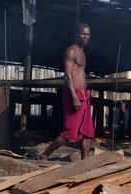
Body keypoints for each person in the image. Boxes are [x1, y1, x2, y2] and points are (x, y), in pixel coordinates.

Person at [38, 23, 94, 160]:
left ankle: (85, 162)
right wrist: (74, 96)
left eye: (88, 34)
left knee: (87, 132)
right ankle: (44, 155)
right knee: (69, 132)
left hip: (84, 95)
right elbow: (68, 75)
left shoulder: (83, 52)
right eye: (83, 34)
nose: (86, 36)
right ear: (76, 34)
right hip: (73, 94)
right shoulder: (71, 51)